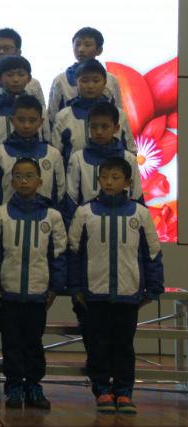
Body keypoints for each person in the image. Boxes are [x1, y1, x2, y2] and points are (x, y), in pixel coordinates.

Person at [68, 157, 164, 414]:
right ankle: (102, 390)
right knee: (97, 345)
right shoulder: (85, 212)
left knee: (124, 346)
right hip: (93, 295)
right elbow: (74, 253)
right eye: (104, 177)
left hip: (127, 294)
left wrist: (153, 288)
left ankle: (123, 392)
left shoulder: (140, 213)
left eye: (115, 177)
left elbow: (152, 253)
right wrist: (75, 289)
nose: (109, 182)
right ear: (98, 179)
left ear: (128, 182)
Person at [0, 158, 67, 410]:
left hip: (38, 293)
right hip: (9, 293)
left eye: (29, 176)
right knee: (11, 343)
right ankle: (14, 385)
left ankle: (33, 385)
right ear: (12, 181)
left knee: (33, 342)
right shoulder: (0, 214)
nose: (24, 181)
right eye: (18, 176)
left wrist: (54, 288)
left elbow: (59, 255)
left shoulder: (52, 216)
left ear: (39, 181)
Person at [0, 95, 66, 211]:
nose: (26, 125)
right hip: (8, 218)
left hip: (44, 218)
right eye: (21, 120)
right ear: (12, 120)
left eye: (32, 121)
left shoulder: (53, 154)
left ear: (41, 122)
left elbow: (60, 195)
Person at [51, 60, 134, 165]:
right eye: (84, 81)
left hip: (113, 173)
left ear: (104, 82)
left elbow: (130, 151)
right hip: (74, 174)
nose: (90, 86)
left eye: (96, 81)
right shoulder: (64, 116)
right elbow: (55, 157)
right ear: (76, 82)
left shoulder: (119, 115)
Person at [66, 101, 143, 207]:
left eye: (105, 127)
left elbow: (137, 198)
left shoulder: (129, 159)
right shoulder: (78, 158)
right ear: (88, 127)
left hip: (123, 215)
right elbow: (71, 200)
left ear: (116, 128)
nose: (99, 132)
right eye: (94, 127)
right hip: (87, 216)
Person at [0, 56, 49, 167]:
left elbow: (46, 140)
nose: (15, 79)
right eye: (10, 75)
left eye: (21, 75)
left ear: (29, 78)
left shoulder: (39, 109)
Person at [47, 27, 123, 122]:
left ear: (99, 50)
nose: (81, 49)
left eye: (87, 45)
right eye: (77, 44)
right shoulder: (61, 80)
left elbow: (118, 114)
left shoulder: (111, 80)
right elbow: (52, 115)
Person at [0, 28, 45, 111]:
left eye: (7, 48)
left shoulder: (33, 84)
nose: (1, 52)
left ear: (18, 52)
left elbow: (42, 112)